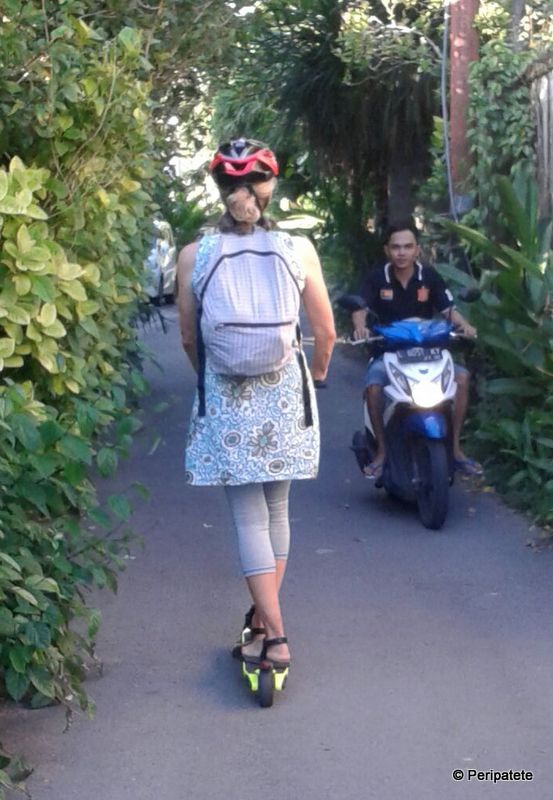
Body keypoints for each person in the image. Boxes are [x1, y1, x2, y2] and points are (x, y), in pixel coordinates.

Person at [176, 138, 336, 672]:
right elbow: (326, 333)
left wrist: (209, 379)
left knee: (249, 518)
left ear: (220, 189)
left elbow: (188, 338)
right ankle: (267, 626)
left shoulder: (194, 255)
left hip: (227, 397)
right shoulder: (299, 250)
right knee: (278, 511)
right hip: (285, 395)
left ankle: (273, 634)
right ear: (270, 188)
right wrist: (317, 374)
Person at [351, 221, 481, 479]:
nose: (402, 252)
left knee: (462, 377)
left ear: (417, 250)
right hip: (388, 354)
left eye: (408, 247)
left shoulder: (429, 277)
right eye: (396, 247)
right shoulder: (377, 278)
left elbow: (448, 309)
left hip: (429, 354)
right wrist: (360, 328)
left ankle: (455, 449)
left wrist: (465, 326)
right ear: (387, 250)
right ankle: (382, 452)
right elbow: (360, 307)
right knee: (374, 387)